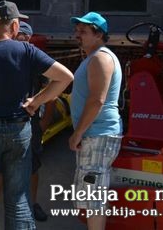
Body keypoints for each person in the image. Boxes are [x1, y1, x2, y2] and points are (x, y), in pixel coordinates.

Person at [0, 0, 73, 229]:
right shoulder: (27, 51)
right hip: (20, 130)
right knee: (18, 197)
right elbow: (66, 76)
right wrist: (36, 101)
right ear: (15, 25)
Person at [69, 12, 122, 230]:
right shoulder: (94, 57)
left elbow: (97, 100)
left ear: (99, 34)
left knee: (93, 196)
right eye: (76, 31)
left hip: (97, 135)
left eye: (83, 32)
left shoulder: (101, 58)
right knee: (91, 193)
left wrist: (77, 133)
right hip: (96, 134)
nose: (77, 36)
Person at [16, 21, 51, 222]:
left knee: (32, 166)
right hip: (8, 123)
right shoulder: (6, 58)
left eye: (25, 37)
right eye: (18, 35)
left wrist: (44, 122)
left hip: (31, 124)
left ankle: (32, 203)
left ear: (30, 39)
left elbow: (52, 92)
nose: (21, 39)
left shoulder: (38, 61)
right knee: (3, 166)